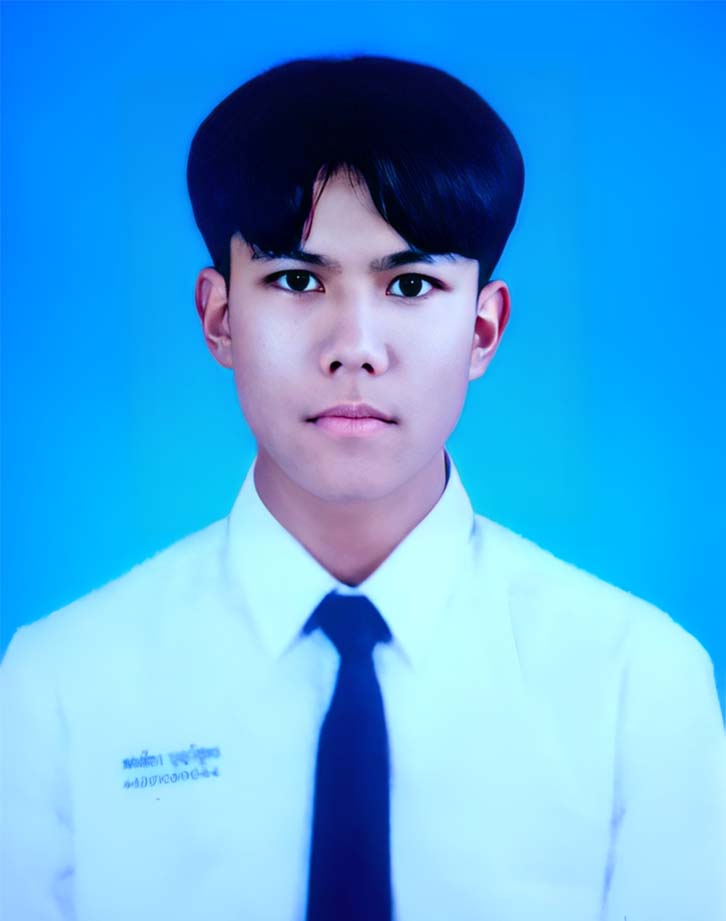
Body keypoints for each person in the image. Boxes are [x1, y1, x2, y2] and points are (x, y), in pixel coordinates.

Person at [1, 54, 724, 921]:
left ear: (483, 328)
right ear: (220, 318)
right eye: (297, 280)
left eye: (411, 285)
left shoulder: (637, 683)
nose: (355, 346)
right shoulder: (60, 683)